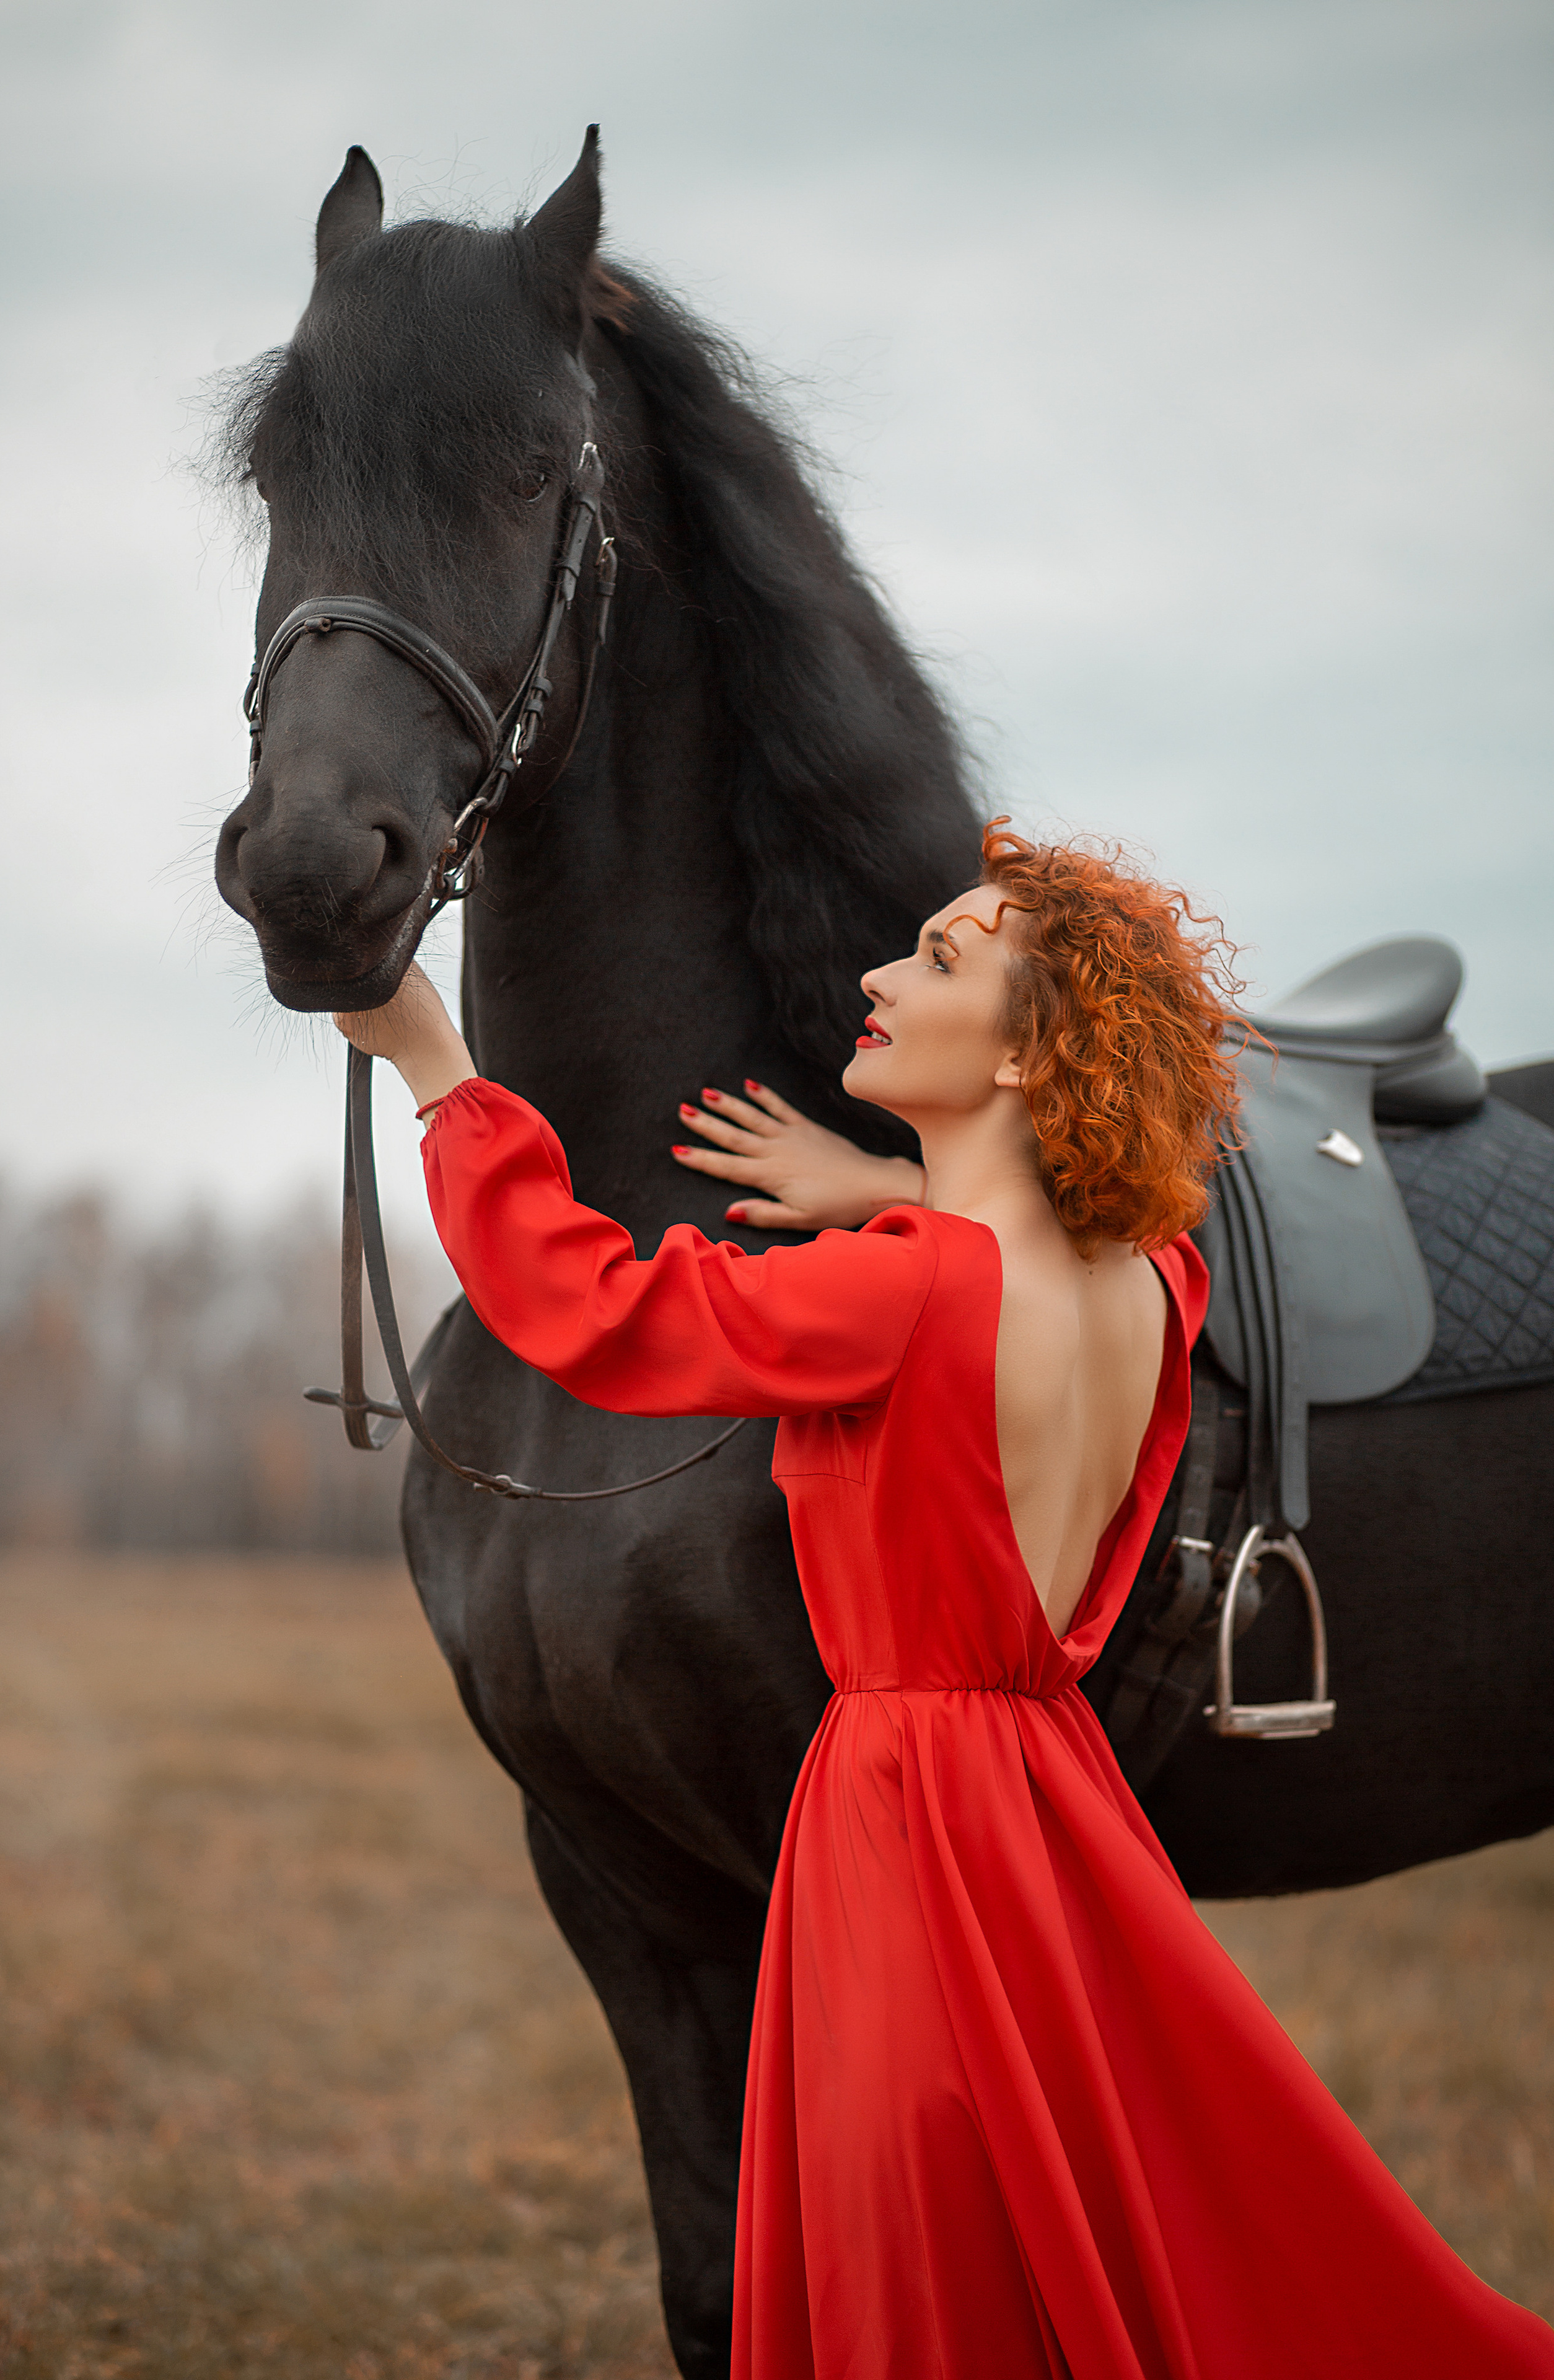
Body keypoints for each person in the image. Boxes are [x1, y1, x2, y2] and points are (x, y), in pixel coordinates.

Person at [336, 823, 1552, 2378]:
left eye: (940, 960)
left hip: (900, 1804)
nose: (877, 974)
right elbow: (1045, 1238)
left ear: (1025, 1054)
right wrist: (883, 1187)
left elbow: (594, 1309)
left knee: (907, 2247)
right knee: (1083, 2211)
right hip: (1050, 1798)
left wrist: (440, 1069)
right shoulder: (1148, 1286)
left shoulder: (901, 1293)